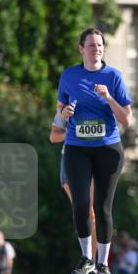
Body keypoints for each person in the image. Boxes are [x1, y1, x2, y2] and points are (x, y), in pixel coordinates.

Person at [57, 27, 132, 274]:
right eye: (91, 45)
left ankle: (103, 264)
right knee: (80, 204)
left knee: (102, 207)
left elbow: (127, 119)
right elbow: (59, 112)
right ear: (81, 49)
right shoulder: (69, 75)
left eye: (100, 45)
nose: (96, 49)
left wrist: (109, 98)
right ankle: (86, 258)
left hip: (108, 149)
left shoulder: (114, 76)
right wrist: (64, 113)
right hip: (77, 148)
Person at [49, 111, 97, 263]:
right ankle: (87, 257)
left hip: (95, 157)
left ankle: (92, 261)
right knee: (80, 210)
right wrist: (73, 132)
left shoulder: (101, 101)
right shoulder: (66, 105)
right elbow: (53, 136)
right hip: (70, 157)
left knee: (92, 213)